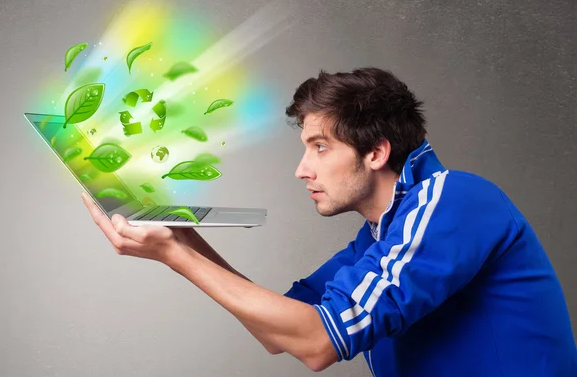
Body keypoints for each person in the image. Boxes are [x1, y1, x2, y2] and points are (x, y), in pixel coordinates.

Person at [82, 67, 577, 376]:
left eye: (320, 147)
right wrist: (183, 242)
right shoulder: (377, 240)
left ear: (377, 152)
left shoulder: (453, 201)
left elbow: (318, 343)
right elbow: (278, 333)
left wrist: (172, 254)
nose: (303, 169)